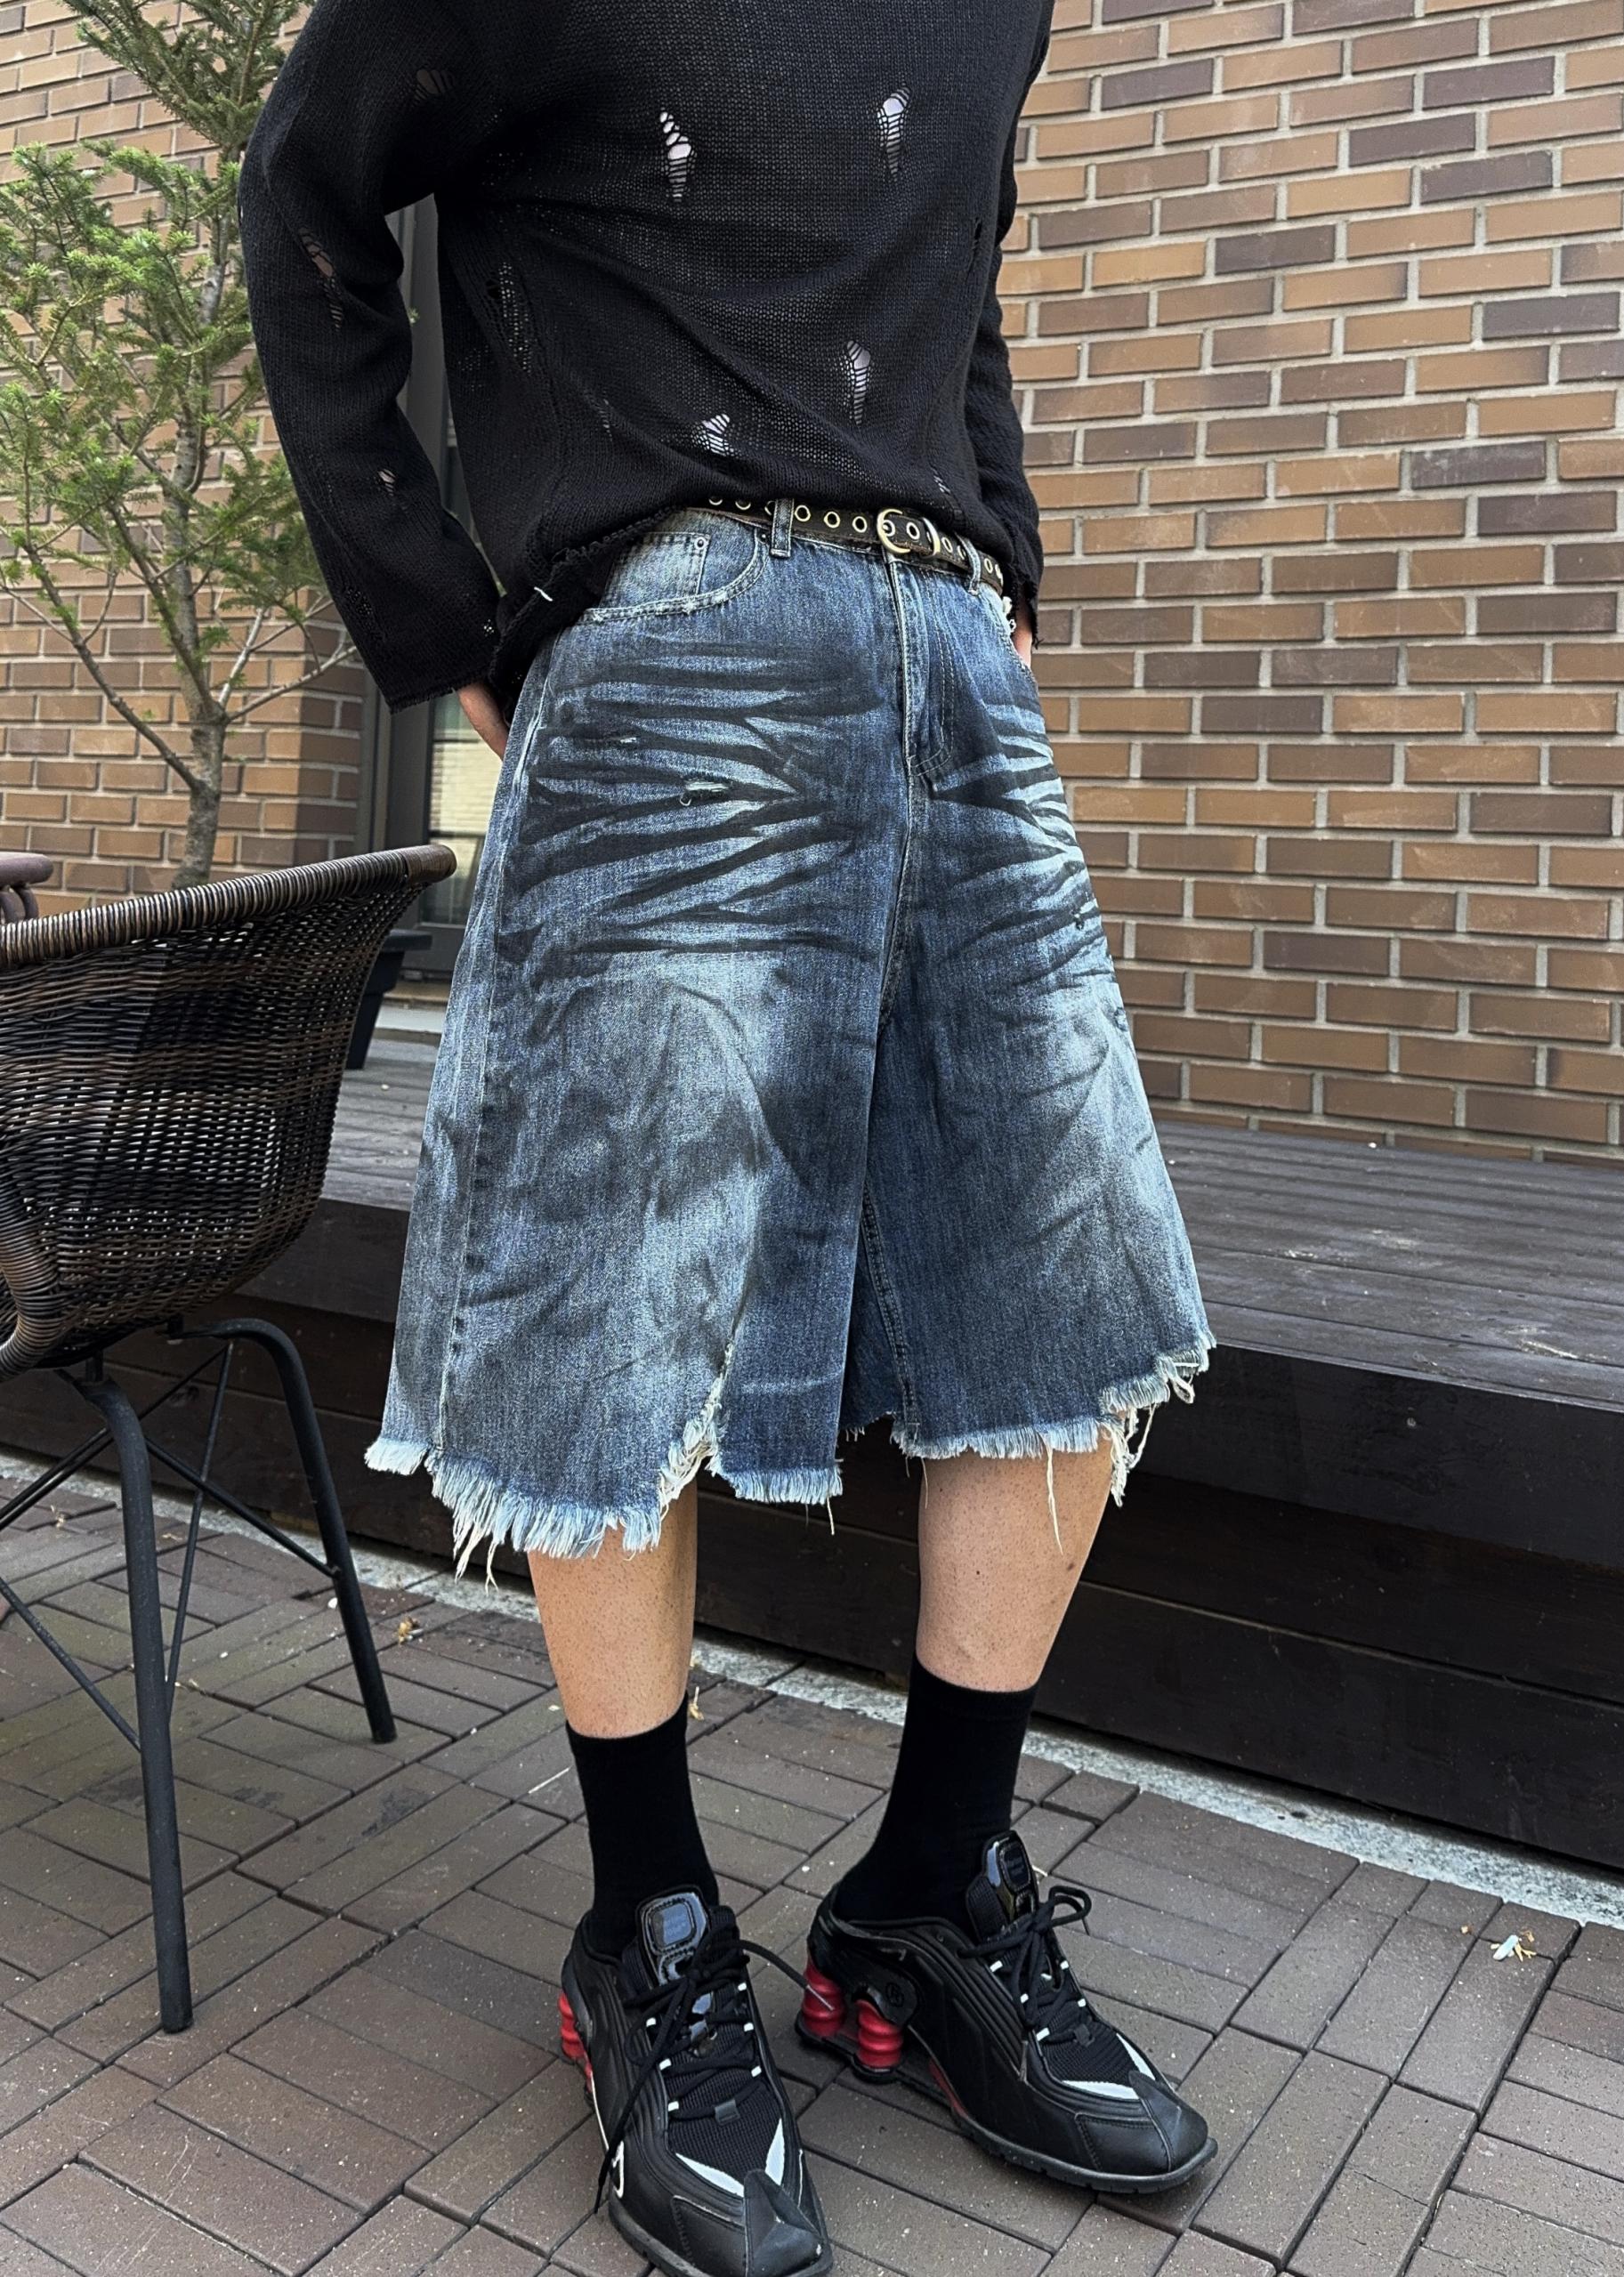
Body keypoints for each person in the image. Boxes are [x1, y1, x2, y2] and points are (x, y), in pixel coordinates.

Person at [239, 4, 1218, 2270]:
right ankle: (655, 1927)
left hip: (950, 663)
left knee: (1067, 1298)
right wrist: (437, 607)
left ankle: (930, 1898)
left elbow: (956, 278)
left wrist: (999, 551)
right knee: (623, 1317)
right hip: (665, 639)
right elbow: (308, 192)